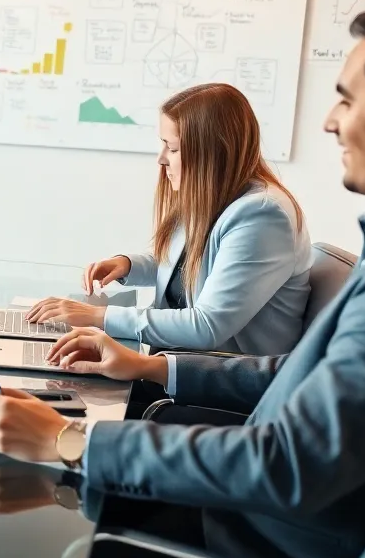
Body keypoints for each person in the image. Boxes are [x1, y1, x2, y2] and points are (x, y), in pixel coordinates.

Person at [0, 0, 365, 558]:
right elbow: (295, 374)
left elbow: (289, 463)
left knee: (12, 550)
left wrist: (72, 440)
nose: (331, 122)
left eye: (347, 100)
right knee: (18, 511)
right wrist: (146, 370)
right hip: (251, 520)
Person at [27, 83, 311, 355]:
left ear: (213, 152)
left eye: (172, 148)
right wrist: (128, 265)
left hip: (221, 376)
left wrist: (98, 316)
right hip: (181, 360)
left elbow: (207, 326)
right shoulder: (218, 196)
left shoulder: (262, 216)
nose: (161, 159)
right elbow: (189, 266)